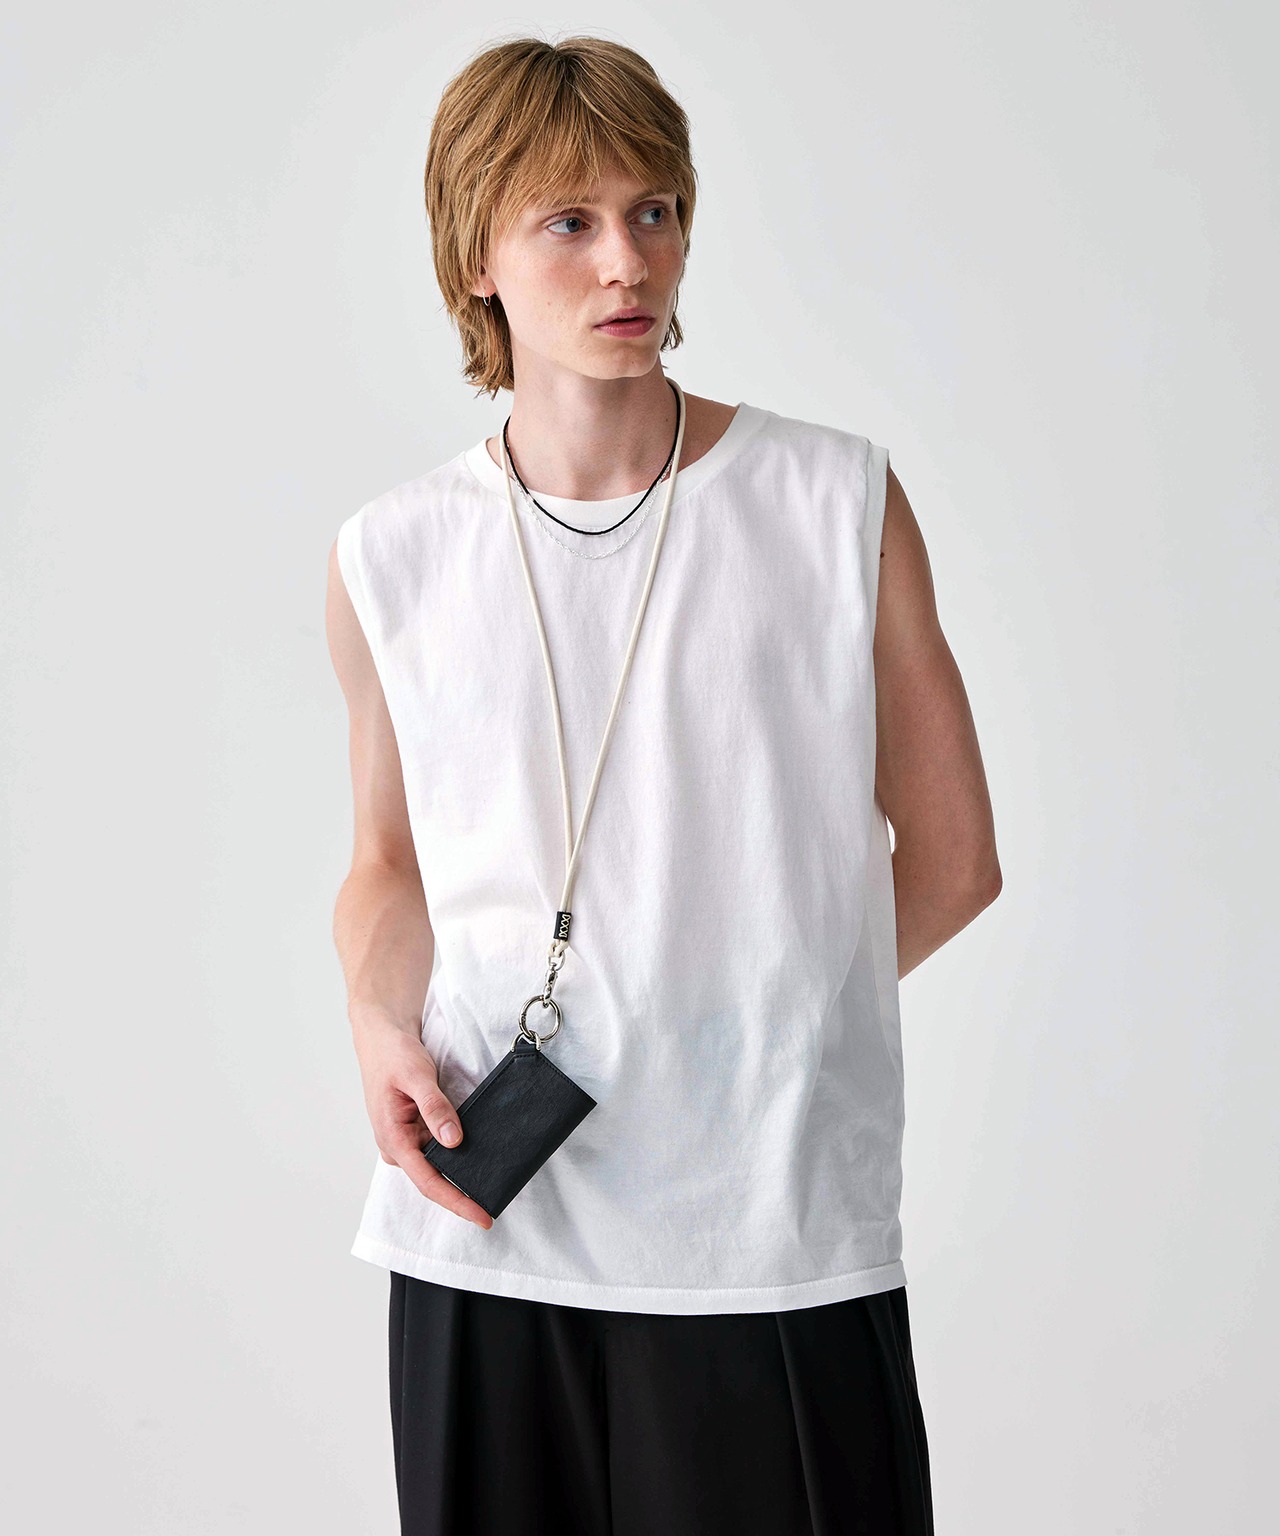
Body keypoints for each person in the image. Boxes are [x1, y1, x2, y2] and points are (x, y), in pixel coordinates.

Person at [326, 32, 1000, 1536]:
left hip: (766, 1237)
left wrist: (751, 1011)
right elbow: (387, 865)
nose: (627, 261)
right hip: (488, 1228)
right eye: (569, 221)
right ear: (478, 256)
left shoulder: (830, 502)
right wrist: (379, 1023)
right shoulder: (393, 555)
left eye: (655, 211)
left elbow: (957, 857)